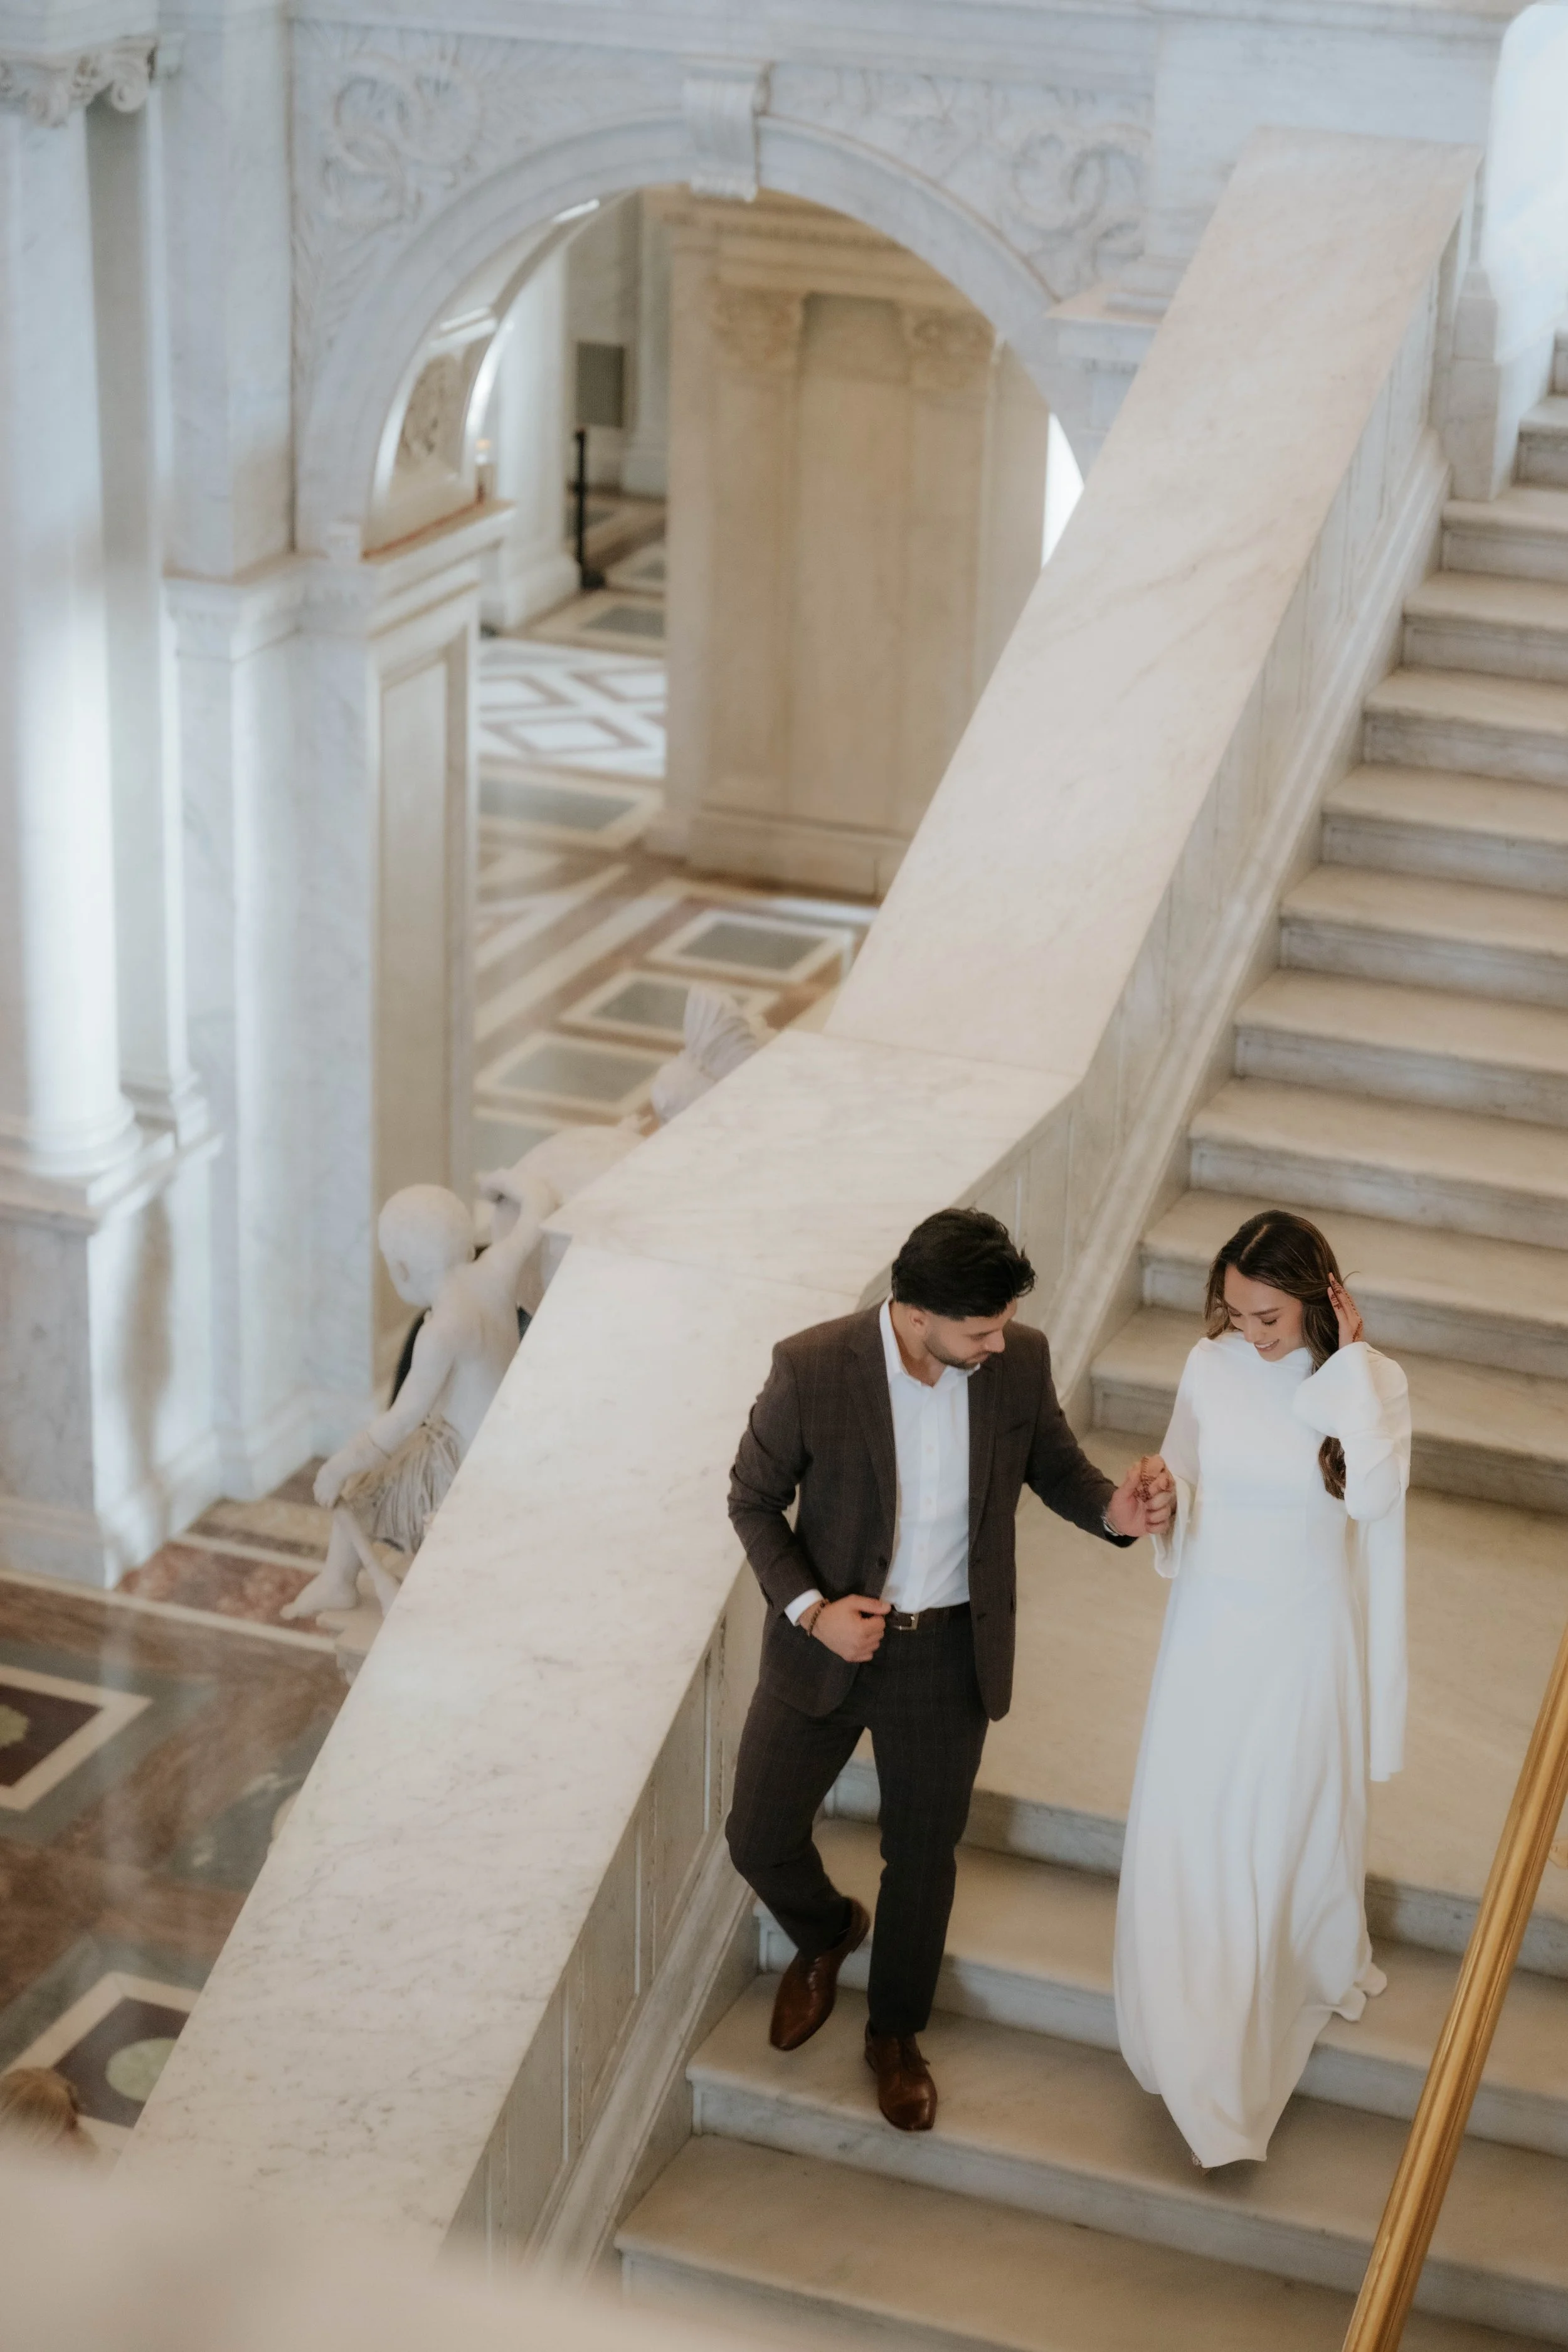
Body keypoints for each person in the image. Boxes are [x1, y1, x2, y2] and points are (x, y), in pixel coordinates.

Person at [726, 1207, 1174, 2132]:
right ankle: (826, 1931)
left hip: (948, 1651)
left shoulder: (1019, 1360)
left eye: (1003, 1323)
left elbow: (1057, 1468)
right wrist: (814, 1611)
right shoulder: (812, 1367)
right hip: (830, 1641)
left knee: (921, 1861)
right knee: (758, 1833)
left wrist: (1116, 1512)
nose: (999, 1342)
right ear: (914, 1310)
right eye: (981, 1329)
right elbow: (754, 1499)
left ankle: (895, 2034)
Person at [1113, 1207, 1411, 2171]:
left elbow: (1371, 1499)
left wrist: (1351, 1369)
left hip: (1300, 1636)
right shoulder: (1210, 1366)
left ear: (1321, 1301)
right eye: (1236, 1313)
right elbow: (1187, 1477)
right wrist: (1165, 1499)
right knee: (1200, 1817)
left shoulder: (1367, 1385)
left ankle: (1266, 1988)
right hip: (1210, 1629)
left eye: (1269, 1315)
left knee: (1277, 1817)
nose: (1250, 1331)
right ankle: (1195, 2001)